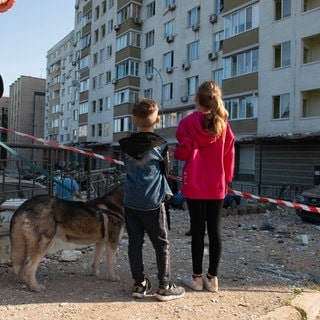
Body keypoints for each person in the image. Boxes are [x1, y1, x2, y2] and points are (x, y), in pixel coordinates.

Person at [119, 98, 185, 301]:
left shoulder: (125, 145)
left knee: (134, 243)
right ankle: (164, 286)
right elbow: (165, 173)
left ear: (133, 119)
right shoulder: (161, 145)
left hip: (131, 201)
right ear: (157, 118)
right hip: (153, 202)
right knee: (161, 244)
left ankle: (139, 284)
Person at [173, 80, 235, 292]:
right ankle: (213, 279)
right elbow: (229, 156)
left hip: (195, 185)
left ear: (196, 99)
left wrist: (178, 151)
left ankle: (197, 279)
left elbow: (182, 153)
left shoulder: (187, 123)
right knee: (215, 230)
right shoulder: (224, 126)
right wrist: (226, 181)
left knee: (197, 230)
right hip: (217, 184)